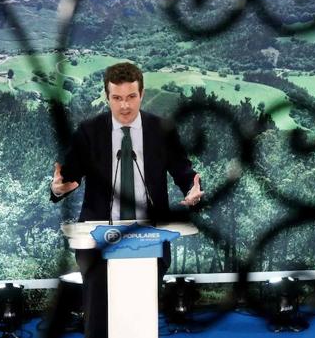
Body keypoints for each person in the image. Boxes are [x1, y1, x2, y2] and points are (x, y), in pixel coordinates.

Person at [50, 62, 203, 338]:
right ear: (107, 97)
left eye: (131, 97)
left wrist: (192, 191)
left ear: (141, 94)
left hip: (148, 238)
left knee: (139, 317)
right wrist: (59, 189)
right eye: (117, 98)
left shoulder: (161, 129)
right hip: (97, 238)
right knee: (99, 319)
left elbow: (184, 173)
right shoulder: (89, 132)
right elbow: (67, 178)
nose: (124, 106)